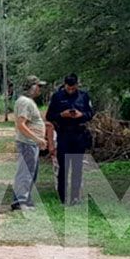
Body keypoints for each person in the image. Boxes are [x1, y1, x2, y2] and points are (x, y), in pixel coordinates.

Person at [45, 73, 94, 204]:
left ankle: (75, 197)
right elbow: (50, 116)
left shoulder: (84, 96)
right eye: (68, 88)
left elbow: (90, 114)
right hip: (64, 134)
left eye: (73, 88)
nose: (71, 90)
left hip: (79, 134)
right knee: (63, 167)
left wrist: (81, 115)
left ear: (77, 85)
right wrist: (62, 115)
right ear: (65, 85)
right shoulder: (57, 97)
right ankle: (63, 197)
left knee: (77, 167)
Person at [11, 75, 47, 211]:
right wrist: (37, 139)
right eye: (38, 86)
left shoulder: (27, 101)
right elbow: (21, 124)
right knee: (25, 172)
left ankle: (24, 199)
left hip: (31, 143)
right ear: (32, 87)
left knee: (31, 172)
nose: (40, 89)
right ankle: (19, 201)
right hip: (27, 143)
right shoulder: (25, 102)